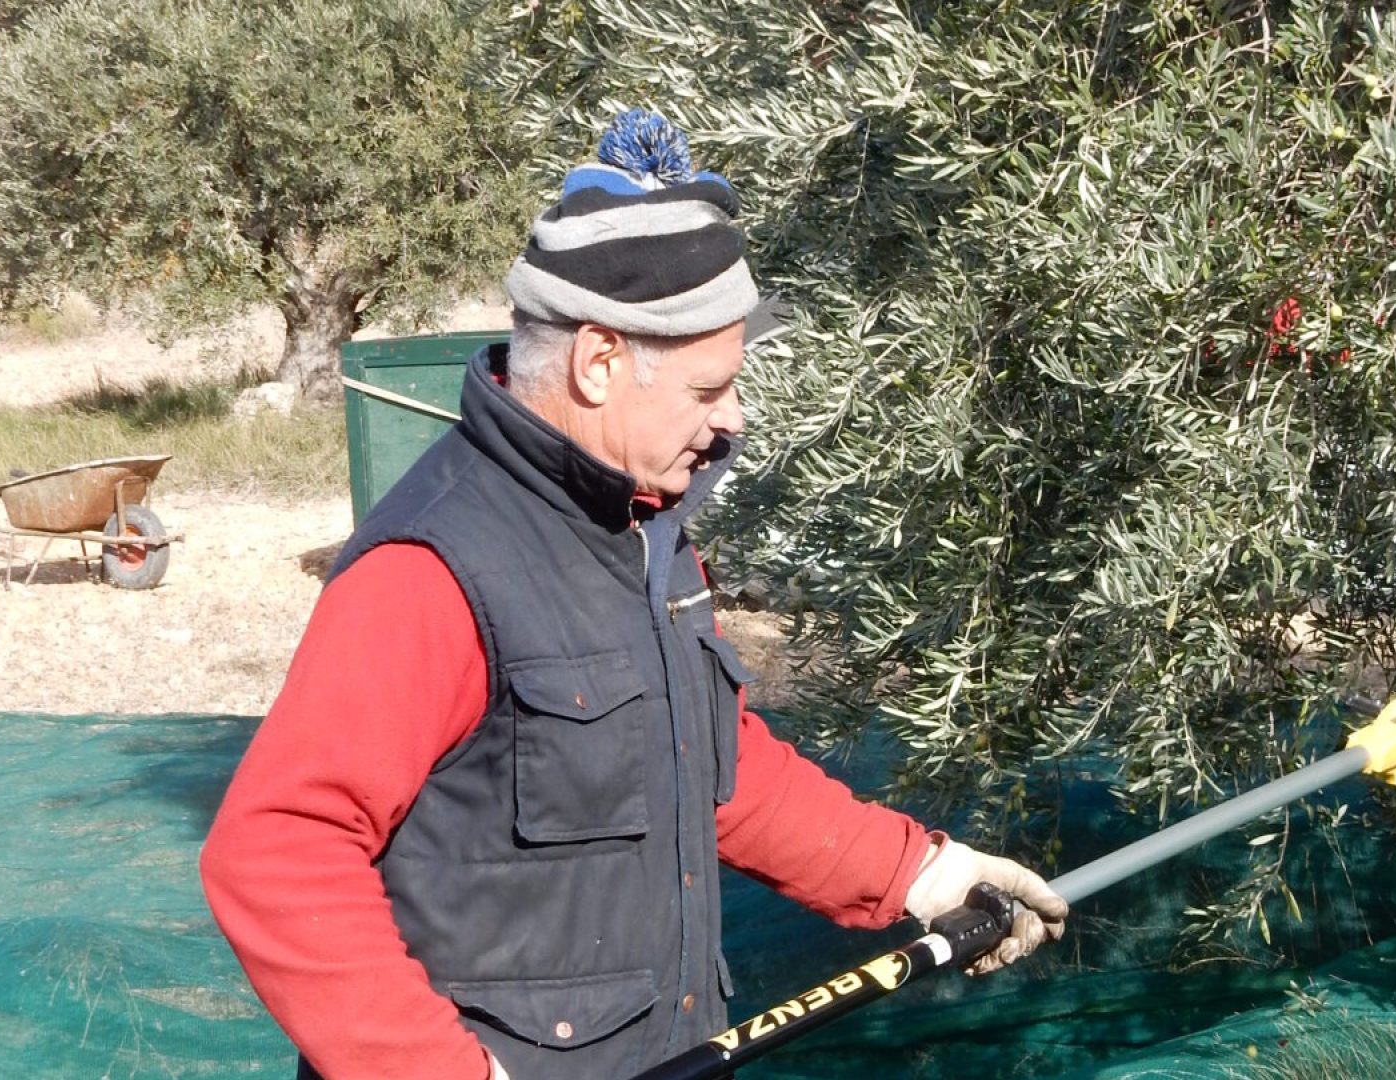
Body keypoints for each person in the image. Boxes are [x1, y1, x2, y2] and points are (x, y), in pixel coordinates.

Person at [198, 108, 1068, 1080]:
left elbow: (712, 768)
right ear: (600, 361)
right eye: (708, 390)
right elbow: (277, 851)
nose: (733, 418)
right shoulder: (432, 570)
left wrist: (917, 872)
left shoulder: (641, 528)